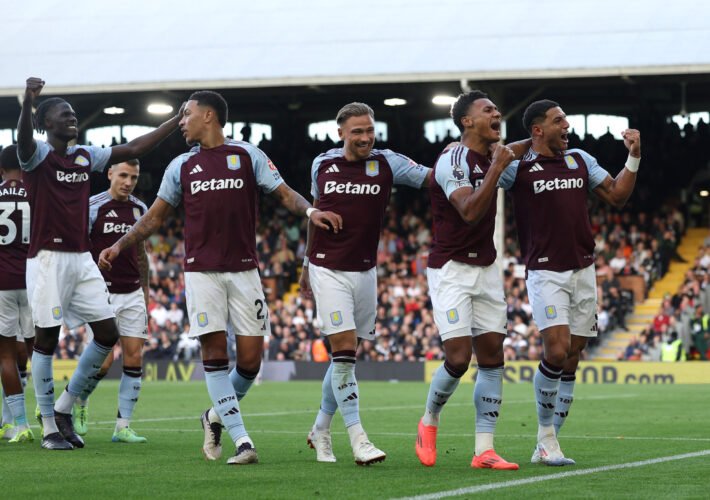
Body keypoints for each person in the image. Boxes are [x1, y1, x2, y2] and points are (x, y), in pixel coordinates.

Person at [98, 90, 341, 465]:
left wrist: (310, 211)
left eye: (187, 115)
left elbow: (283, 194)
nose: (181, 122)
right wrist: (120, 244)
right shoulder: (180, 165)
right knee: (213, 356)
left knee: (250, 362)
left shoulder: (247, 155)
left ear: (209, 116)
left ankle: (212, 418)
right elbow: (154, 218)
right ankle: (243, 441)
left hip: (245, 271)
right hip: (201, 273)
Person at [17, 77, 183, 450]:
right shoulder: (37, 156)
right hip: (46, 259)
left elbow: (135, 145)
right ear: (47, 123)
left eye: (74, 114)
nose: (72, 118)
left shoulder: (86, 155)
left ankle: (63, 407)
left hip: (82, 259)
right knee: (46, 339)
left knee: (107, 334)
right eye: (64, 115)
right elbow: (24, 139)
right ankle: (48, 427)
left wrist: (173, 122)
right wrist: (28, 102)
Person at [498, 99, 641, 465]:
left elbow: (618, 195)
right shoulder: (518, 166)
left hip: (583, 269)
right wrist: (522, 146)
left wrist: (633, 157)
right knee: (557, 351)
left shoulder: (579, 159)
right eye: (559, 121)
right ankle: (546, 438)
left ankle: (548, 443)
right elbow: (488, 157)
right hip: (546, 271)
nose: (568, 126)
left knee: (572, 357)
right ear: (537, 130)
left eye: (567, 120)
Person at [299, 102, 431, 465]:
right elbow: (314, 211)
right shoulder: (322, 163)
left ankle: (320, 429)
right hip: (327, 268)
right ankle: (359, 439)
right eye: (357, 131)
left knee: (346, 358)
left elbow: (430, 179)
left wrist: (457, 160)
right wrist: (306, 264)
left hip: (365, 270)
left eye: (370, 130)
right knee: (342, 353)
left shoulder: (388, 162)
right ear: (340, 132)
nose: (365, 137)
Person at [415, 91, 530, 470]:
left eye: (497, 108)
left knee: (493, 357)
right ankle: (429, 420)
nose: (496, 113)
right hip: (451, 269)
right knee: (459, 358)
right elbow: (467, 211)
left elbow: (514, 147)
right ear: (467, 121)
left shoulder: (491, 154)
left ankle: (484, 450)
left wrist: (542, 134)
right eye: (488, 110)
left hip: (486, 268)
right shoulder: (454, 159)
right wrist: (497, 168)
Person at [70, 159, 150, 443]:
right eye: (124, 175)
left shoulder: (140, 209)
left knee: (134, 357)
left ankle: (123, 426)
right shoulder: (92, 207)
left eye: (134, 177)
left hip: (132, 292)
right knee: (103, 364)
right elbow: (79, 250)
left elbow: (141, 255)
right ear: (110, 174)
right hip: (101, 293)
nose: (129, 182)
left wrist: (146, 292)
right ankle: (79, 400)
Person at [0, 145, 34, 443]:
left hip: (2, 283)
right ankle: (52, 419)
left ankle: (17, 425)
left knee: (6, 355)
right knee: (41, 352)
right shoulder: (37, 194)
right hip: (35, 281)